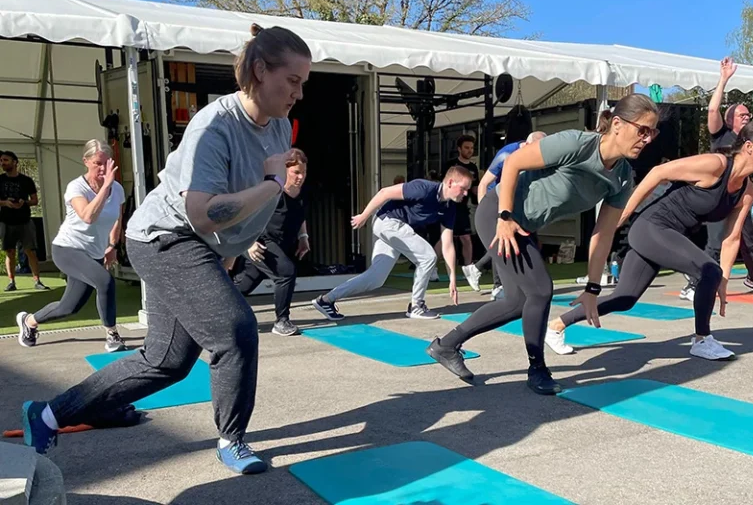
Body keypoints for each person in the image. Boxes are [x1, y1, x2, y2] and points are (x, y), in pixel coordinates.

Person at [20, 24, 312, 476]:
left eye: (303, 83)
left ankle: (48, 414)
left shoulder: (276, 128)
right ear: (260, 70)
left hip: (199, 246)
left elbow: (235, 208)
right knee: (236, 331)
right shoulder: (214, 125)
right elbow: (200, 213)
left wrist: (229, 253)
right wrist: (273, 182)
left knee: (166, 362)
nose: (298, 93)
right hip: (165, 238)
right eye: (292, 81)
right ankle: (232, 440)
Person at [426, 93, 659, 395]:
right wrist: (505, 216)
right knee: (540, 290)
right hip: (498, 214)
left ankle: (446, 346)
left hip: (523, 227)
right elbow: (512, 164)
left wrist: (592, 288)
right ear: (617, 124)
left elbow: (603, 234)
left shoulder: (623, 177)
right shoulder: (577, 144)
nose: (648, 139)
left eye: (653, 132)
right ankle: (537, 368)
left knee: (515, 302)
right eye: (643, 130)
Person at [548, 121, 753, 362]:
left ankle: (556, 325)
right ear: (749, 146)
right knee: (708, 270)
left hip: (666, 236)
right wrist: (621, 215)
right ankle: (702, 339)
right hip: (651, 227)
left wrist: (723, 282)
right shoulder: (715, 164)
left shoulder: (746, 192)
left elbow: (731, 238)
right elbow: (657, 173)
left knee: (625, 298)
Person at [312, 166, 473, 321]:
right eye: (463, 188)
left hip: (395, 229)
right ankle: (417, 306)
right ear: (450, 182)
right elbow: (385, 193)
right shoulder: (423, 188)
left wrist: (452, 278)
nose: (466, 193)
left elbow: (447, 243)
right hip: (388, 222)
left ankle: (326, 300)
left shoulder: (449, 208)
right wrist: (364, 216)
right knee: (428, 256)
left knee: (375, 279)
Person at [15, 140, 126, 352]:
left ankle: (29, 322)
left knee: (69, 307)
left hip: (92, 254)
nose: (102, 169)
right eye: (97, 163)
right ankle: (112, 335)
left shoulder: (117, 189)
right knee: (105, 282)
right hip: (67, 250)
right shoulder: (76, 187)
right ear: (86, 162)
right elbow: (88, 217)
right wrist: (106, 186)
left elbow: (117, 220)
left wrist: (112, 245)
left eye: (106, 163)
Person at [679, 57, 753, 300]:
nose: (747, 117)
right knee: (716, 244)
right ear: (729, 120)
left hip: (739, 195)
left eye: (748, 114)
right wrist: (723, 79)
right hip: (717, 194)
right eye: (742, 115)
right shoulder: (721, 135)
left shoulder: (750, 137)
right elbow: (711, 109)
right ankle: (694, 284)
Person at [230, 155, 310, 336]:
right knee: (286, 272)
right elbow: (245, 215)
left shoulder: (301, 192)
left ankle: (212, 311)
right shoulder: (271, 191)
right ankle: (282, 321)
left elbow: (300, 215)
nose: (300, 177)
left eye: (304, 172)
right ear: (285, 171)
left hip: (281, 243)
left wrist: (303, 236)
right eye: (296, 172)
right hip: (262, 242)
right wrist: (249, 243)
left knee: (245, 284)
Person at [463, 131, 547, 297]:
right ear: (528, 145)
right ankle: (497, 285)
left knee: (517, 238)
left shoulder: (537, 155)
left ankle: (477, 268)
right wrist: (484, 211)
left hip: (514, 200)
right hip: (495, 200)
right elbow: (484, 183)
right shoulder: (506, 155)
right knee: (503, 239)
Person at [0, 151, 49, 291]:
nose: (3, 163)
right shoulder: (0, 180)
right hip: (6, 221)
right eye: (1, 161)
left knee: (30, 251)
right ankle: (11, 282)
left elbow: (35, 200)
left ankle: (37, 281)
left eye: (6, 160)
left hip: (25, 221)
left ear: (15, 162)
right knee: (10, 252)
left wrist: (24, 202)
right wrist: (5, 203)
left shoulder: (26, 181)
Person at [436, 135, 478, 270]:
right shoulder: (451, 165)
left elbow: (475, 188)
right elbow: (443, 185)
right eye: (466, 147)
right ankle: (431, 266)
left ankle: (469, 268)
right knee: (445, 237)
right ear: (459, 149)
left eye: (471, 148)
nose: (470, 150)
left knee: (466, 238)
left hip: (464, 207)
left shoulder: (473, 168)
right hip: (449, 205)